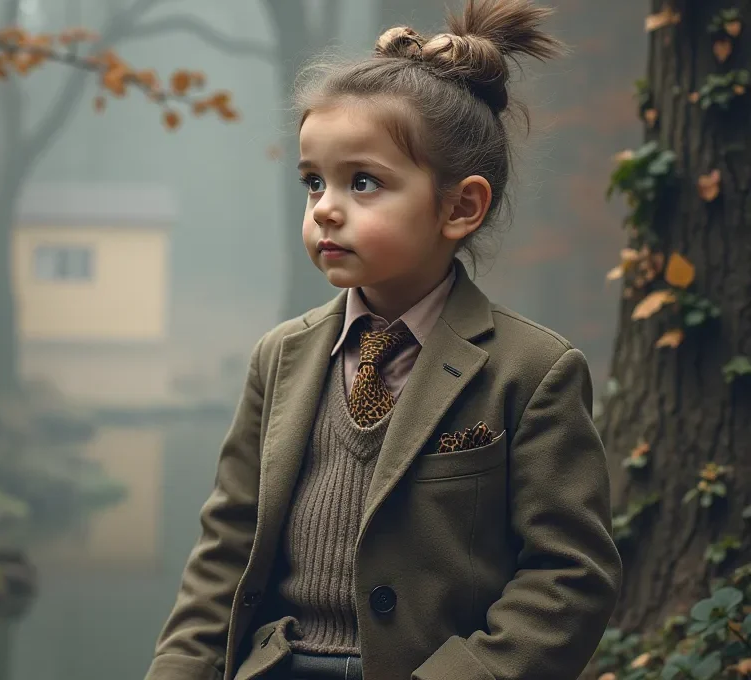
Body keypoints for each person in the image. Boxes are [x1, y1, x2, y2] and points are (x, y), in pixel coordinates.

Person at [144, 0, 622, 678]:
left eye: (362, 182)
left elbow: (568, 577)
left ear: (460, 206)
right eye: (314, 182)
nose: (325, 209)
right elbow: (225, 552)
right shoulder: (281, 357)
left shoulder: (532, 370)